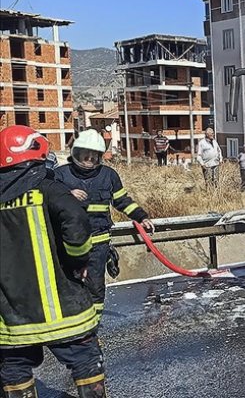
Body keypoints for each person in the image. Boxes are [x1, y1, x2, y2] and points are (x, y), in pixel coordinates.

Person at [0, 126, 107, 398]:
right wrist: (78, 260)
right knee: (85, 359)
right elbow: (77, 223)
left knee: (14, 368)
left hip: (12, 317)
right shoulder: (49, 189)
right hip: (62, 307)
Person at [54, 129, 154, 314]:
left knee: (96, 287)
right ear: (76, 153)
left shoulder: (109, 175)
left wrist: (142, 217)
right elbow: (47, 202)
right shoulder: (59, 176)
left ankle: (94, 324)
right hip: (68, 244)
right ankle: (74, 324)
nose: (89, 160)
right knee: (69, 286)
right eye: (85, 156)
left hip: (98, 243)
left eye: (94, 157)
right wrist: (66, 195)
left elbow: (122, 201)